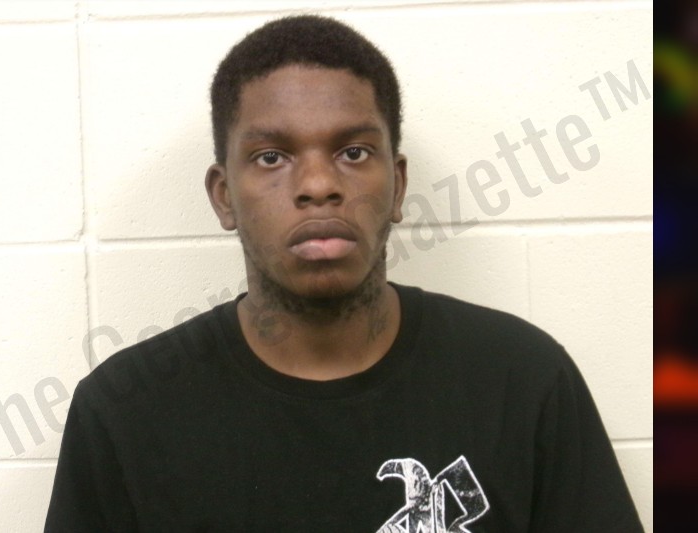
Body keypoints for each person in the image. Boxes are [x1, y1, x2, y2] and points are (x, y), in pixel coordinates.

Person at [44, 14, 643, 532]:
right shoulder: (125, 414)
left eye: (353, 152)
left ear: (397, 185)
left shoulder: (523, 380)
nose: (317, 185)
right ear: (224, 196)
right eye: (271, 157)